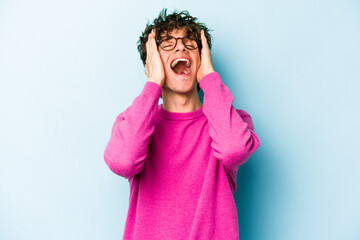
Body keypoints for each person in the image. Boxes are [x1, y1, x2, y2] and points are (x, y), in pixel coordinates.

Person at [104, 8, 260, 240]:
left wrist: (208, 76)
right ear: (151, 64)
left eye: (190, 42)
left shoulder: (232, 121)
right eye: (167, 44)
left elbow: (234, 149)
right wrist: (153, 82)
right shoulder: (133, 123)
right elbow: (122, 161)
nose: (180, 47)